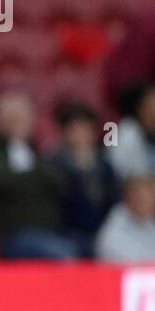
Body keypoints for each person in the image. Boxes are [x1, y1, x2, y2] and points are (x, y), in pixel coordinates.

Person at [0, 92, 77, 260]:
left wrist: (25, 177)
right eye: (12, 119)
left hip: (51, 231)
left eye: (23, 119)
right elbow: (4, 182)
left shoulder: (38, 150)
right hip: (12, 233)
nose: (18, 124)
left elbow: (59, 181)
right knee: (65, 255)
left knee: (91, 249)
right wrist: (35, 177)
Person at [51, 100, 119, 257]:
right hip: (70, 234)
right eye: (74, 129)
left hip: (105, 231)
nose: (80, 134)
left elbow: (114, 200)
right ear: (65, 133)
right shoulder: (55, 165)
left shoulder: (105, 164)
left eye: (85, 128)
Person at [96, 175, 155, 262]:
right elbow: (124, 262)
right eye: (142, 199)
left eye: (151, 198)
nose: (149, 204)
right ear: (128, 199)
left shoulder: (153, 223)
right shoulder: (114, 229)